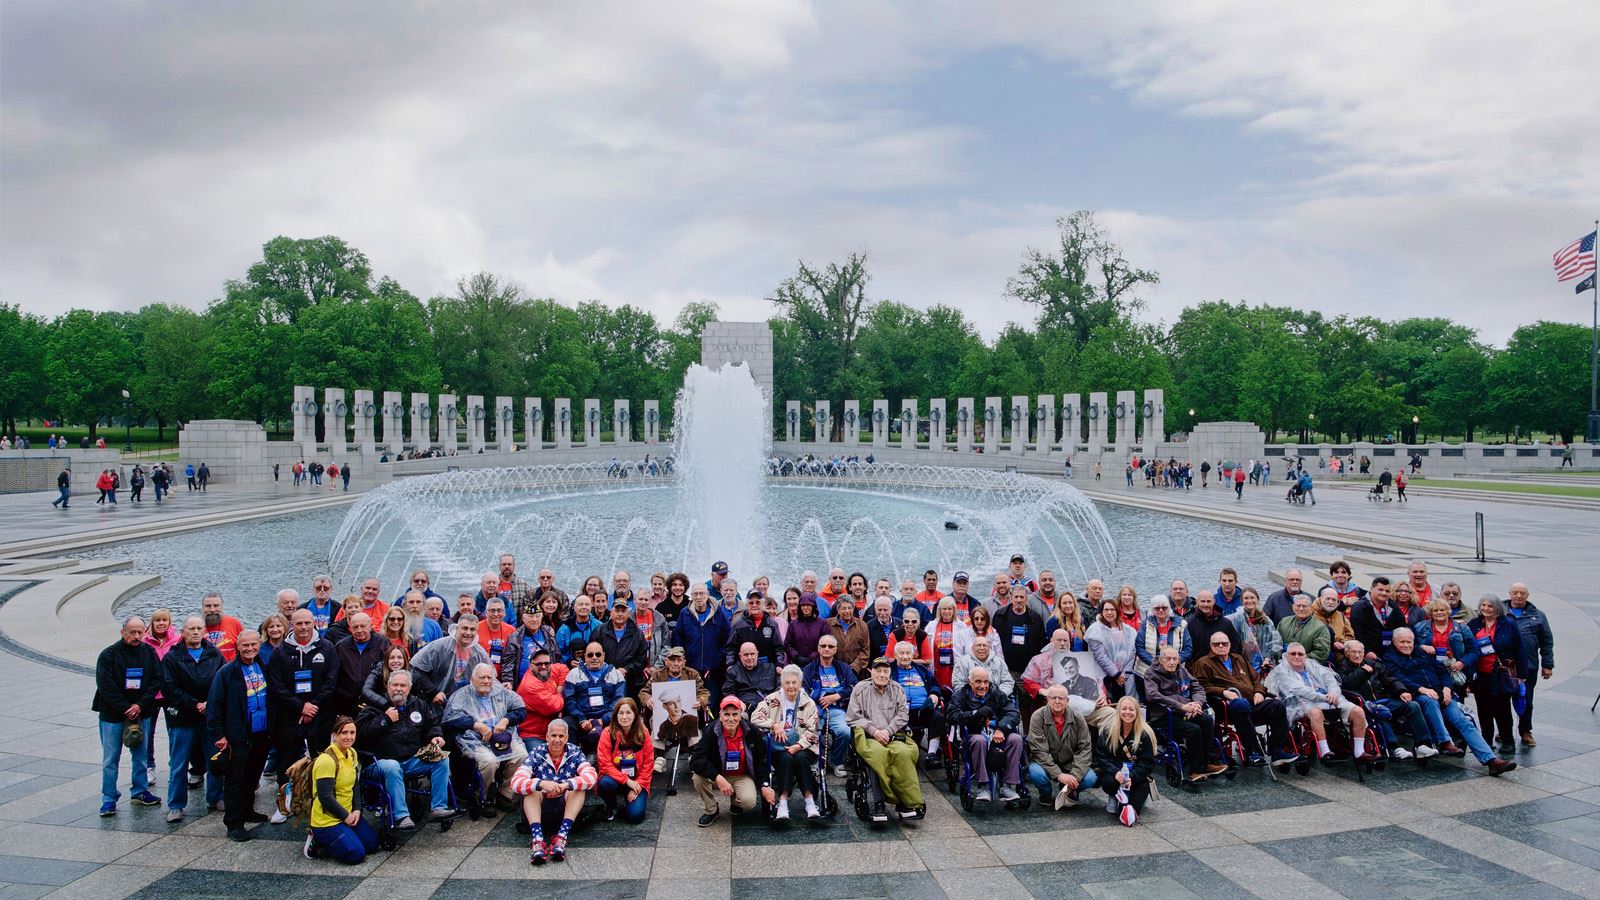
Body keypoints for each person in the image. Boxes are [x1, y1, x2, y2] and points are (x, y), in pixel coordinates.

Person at [1380, 629, 1515, 774]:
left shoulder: (1423, 653)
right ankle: (1444, 742)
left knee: (1463, 722)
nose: (1406, 645)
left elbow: (1442, 672)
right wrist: (1422, 689)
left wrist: (1446, 689)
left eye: (1409, 642)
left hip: (1441, 693)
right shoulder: (1389, 658)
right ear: (1394, 642)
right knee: (1429, 700)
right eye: (1402, 642)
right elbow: (1399, 679)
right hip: (1416, 695)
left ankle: (1491, 761)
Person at [355, 671, 454, 830]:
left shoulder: (418, 704)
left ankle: (438, 808)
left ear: (409, 688)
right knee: (393, 766)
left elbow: (432, 724)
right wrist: (385, 720)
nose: (398, 689)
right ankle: (401, 816)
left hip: (412, 759)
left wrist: (435, 736)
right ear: (388, 687)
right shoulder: (374, 707)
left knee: (442, 759)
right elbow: (360, 735)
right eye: (395, 685)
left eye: (403, 685)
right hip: (380, 764)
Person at [266, 608, 341, 818]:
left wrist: (313, 705)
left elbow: (331, 681)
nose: (304, 628)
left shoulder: (326, 648)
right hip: (291, 715)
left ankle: (321, 800)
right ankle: (285, 804)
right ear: (292, 626)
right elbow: (276, 685)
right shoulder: (280, 652)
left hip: (320, 713)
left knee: (321, 758)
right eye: (299, 624)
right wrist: (300, 707)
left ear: (313, 624)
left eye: (307, 623)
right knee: (287, 760)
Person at [207, 630, 275, 841]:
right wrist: (219, 734)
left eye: (254, 645)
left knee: (253, 776)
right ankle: (234, 822)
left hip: (261, 732)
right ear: (238, 647)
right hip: (238, 734)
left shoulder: (263, 666)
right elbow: (215, 704)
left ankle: (248, 810)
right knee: (235, 780)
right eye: (245, 645)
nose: (250, 649)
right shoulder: (227, 672)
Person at [1191, 632, 1296, 767]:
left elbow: (1256, 679)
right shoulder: (1203, 663)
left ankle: (1277, 751)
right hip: (1228, 707)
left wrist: (1259, 692)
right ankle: (1252, 751)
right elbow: (1201, 686)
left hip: (1252, 703)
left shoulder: (1238, 658)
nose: (1221, 646)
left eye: (1224, 643)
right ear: (1211, 646)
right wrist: (1223, 692)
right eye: (1217, 644)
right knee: (1241, 704)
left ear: (1230, 645)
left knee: (1278, 705)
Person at [94, 616, 163, 817]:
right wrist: (126, 707)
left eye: (140, 632)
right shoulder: (108, 655)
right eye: (132, 632)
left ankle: (140, 791)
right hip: (113, 714)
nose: (136, 636)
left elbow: (156, 680)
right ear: (123, 632)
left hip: (142, 712)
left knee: (141, 755)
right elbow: (105, 685)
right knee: (111, 759)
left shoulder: (149, 652)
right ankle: (108, 799)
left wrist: (139, 705)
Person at [161, 615, 224, 821]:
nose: (195, 632)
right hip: (183, 718)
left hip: (209, 716)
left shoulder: (214, 654)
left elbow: (222, 681)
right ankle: (176, 805)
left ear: (205, 631)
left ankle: (216, 797)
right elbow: (169, 687)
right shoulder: (172, 657)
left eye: (199, 628)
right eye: (191, 629)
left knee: (215, 759)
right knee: (179, 763)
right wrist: (194, 704)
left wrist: (209, 703)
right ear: (183, 632)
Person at [847, 656, 924, 822]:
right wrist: (874, 731)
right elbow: (853, 716)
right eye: (878, 670)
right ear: (871, 671)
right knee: (877, 755)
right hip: (868, 736)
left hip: (893, 735)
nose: (882, 674)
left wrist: (888, 731)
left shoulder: (897, 689)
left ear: (890, 673)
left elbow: (903, 714)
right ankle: (879, 802)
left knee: (904, 754)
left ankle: (906, 802)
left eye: (886, 671)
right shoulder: (861, 688)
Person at [509, 718, 596, 864]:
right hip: (540, 811)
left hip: (564, 810)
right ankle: (537, 840)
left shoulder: (575, 752)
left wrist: (566, 785)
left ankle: (561, 837)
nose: (557, 740)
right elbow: (515, 782)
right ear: (547, 736)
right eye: (554, 735)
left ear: (567, 738)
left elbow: (592, 777)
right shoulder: (537, 753)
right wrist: (541, 784)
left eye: (561, 736)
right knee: (531, 789)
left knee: (578, 789)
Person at [443, 663, 529, 810]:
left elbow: (521, 710)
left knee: (521, 755)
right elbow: (450, 718)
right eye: (482, 677)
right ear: (472, 678)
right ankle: (484, 797)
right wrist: (475, 725)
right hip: (473, 740)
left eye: (490, 677)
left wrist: (506, 719)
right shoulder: (461, 695)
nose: (486, 681)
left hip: (500, 737)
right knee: (490, 762)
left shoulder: (501, 692)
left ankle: (505, 794)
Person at [1267, 643, 1368, 761]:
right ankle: (1325, 751)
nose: (1297, 657)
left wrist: (1333, 693)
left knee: (1357, 711)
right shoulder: (1282, 671)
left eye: (1300, 654)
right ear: (1287, 656)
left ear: (1305, 656)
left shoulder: (1313, 665)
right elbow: (1300, 690)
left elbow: (1330, 680)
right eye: (1293, 654)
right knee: (1315, 712)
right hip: (1300, 703)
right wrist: (1324, 697)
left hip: (1328, 699)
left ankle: (1359, 752)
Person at [1144, 646, 1230, 783]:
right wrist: (1182, 706)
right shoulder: (1151, 673)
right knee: (1193, 729)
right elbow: (1153, 696)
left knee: (1206, 720)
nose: (1172, 662)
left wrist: (1197, 704)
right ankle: (1196, 770)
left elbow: (1198, 688)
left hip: (1184, 711)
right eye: (1168, 659)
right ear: (1161, 660)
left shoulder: (1182, 671)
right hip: (1162, 716)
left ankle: (1209, 762)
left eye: (1175, 659)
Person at [302, 716, 380, 863]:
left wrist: (357, 809)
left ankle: (344, 836)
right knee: (356, 855)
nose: (349, 737)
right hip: (328, 820)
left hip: (348, 813)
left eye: (352, 732)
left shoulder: (352, 753)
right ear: (334, 735)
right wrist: (345, 816)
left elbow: (354, 784)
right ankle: (317, 837)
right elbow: (325, 797)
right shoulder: (327, 760)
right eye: (344, 732)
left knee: (372, 844)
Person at [751, 665, 822, 820]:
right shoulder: (772, 699)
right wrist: (774, 724)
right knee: (786, 758)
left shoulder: (808, 703)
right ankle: (783, 802)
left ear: (800, 684)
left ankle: (809, 801)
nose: (791, 686)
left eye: (794, 683)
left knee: (801, 758)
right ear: (782, 684)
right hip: (779, 747)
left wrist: (798, 746)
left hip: (804, 746)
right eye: (787, 682)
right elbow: (755, 717)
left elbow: (814, 730)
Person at [691, 695, 774, 826]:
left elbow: (761, 761)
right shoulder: (711, 731)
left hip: (742, 775)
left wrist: (764, 785)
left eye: (735, 714)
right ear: (720, 715)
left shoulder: (751, 731)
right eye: (727, 714)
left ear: (741, 715)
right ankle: (711, 809)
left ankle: (735, 803)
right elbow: (696, 760)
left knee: (748, 802)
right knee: (697, 778)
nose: (731, 718)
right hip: (718, 774)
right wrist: (717, 777)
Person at [948, 665, 1024, 803]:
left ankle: (1008, 785)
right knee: (979, 740)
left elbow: (1013, 713)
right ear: (970, 682)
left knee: (1016, 738)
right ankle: (983, 785)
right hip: (973, 734)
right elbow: (953, 715)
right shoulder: (960, 695)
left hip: (998, 734)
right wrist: (975, 713)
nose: (983, 686)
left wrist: (1001, 729)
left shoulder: (996, 693)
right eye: (978, 682)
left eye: (986, 682)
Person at [1466, 594, 1524, 751]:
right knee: (1483, 709)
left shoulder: (1508, 624)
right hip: (1480, 674)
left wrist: (1521, 674)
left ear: (1497, 608)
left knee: (1502, 709)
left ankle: (1507, 741)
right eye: (1483, 605)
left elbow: (1519, 648)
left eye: (1490, 606)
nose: (1486, 609)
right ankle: (1486, 741)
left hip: (1500, 673)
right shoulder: (1474, 623)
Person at [1025, 684, 1098, 808]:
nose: (1057, 701)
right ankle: (1045, 794)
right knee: (1035, 772)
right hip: (1045, 763)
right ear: (1047, 699)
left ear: (1067, 701)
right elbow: (1039, 751)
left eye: (1061, 698)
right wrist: (1059, 775)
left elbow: (1084, 749)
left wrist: (1075, 776)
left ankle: (1069, 791)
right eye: (1053, 698)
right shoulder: (1037, 717)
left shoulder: (1078, 717)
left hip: (1070, 762)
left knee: (1090, 778)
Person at [1091, 696, 1156, 827]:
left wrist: (1132, 777)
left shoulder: (1144, 733)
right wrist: (1116, 772)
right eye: (1124, 709)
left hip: (1136, 776)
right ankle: (1119, 797)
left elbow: (1147, 763)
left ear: (1137, 712)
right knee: (1108, 782)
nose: (1127, 712)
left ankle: (1127, 806)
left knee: (1140, 791)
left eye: (1131, 709)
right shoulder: (1108, 731)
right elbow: (1101, 757)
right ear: (1118, 711)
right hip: (1115, 774)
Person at [641, 646, 710, 770]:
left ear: (684, 662)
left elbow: (704, 693)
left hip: (685, 713)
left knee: (691, 720)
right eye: (672, 660)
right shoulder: (658, 675)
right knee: (655, 720)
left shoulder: (692, 674)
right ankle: (660, 757)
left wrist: (700, 701)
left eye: (679, 660)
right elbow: (644, 692)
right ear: (666, 661)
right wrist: (648, 699)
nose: (676, 663)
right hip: (665, 715)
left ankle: (693, 755)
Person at [1505, 582, 1554, 747]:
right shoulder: (1500, 611)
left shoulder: (1538, 615)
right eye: (1515, 592)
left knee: (1526, 698)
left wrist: (1548, 665)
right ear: (1510, 594)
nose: (1518, 596)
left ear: (1527, 596)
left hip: (1528, 665)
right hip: (1505, 665)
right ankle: (1504, 730)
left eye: (1522, 593)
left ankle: (1525, 730)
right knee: (1503, 698)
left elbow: (1546, 641)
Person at [595, 697, 655, 823]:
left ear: (635, 714)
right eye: (621, 713)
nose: (624, 717)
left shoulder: (643, 733)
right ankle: (611, 805)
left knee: (635, 817)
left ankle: (631, 799)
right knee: (604, 783)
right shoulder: (607, 733)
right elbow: (604, 765)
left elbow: (648, 763)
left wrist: (637, 785)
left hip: (637, 780)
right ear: (615, 715)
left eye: (628, 712)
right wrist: (627, 781)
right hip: (615, 779)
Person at [411, 615, 489, 705]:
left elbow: (488, 677)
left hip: (466, 704)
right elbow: (417, 670)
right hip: (436, 702)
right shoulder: (439, 647)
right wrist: (434, 692)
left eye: (472, 629)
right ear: (457, 629)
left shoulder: (479, 653)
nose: (468, 633)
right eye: (464, 628)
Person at [562, 641, 628, 749]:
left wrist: (603, 719)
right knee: (565, 723)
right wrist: (581, 719)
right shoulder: (574, 674)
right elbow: (569, 700)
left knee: (624, 720)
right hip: (582, 718)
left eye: (598, 654)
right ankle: (573, 757)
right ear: (585, 657)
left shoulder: (616, 674)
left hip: (607, 718)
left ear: (603, 655)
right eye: (590, 655)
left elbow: (618, 700)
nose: (594, 658)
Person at [330, 613, 390, 719]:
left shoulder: (383, 643)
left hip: (375, 700)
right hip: (347, 702)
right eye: (355, 627)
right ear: (350, 629)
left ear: (370, 626)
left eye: (363, 626)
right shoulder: (341, 647)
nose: (359, 630)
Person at [514, 647, 570, 752]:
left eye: (547, 663)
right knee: (541, 760)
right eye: (539, 664)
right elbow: (554, 706)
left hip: (549, 733)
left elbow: (563, 668)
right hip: (532, 735)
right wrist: (560, 695)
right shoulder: (530, 686)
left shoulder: (548, 670)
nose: (543, 666)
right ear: (531, 666)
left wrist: (559, 689)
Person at [992, 584, 1048, 685]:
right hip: (1007, 669)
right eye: (1016, 597)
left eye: (1022, 597)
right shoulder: (1000, 616)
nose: (1018, 600)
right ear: (1011, 598)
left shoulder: (1035, 618)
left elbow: (1041, 644)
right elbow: (993, 641)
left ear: (1026, 598)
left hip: (1028, 669)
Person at [598, 597, 652, 696]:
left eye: (623, 611)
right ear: (611, 612)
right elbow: (593, 654)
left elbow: (641, 659)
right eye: (617, 610)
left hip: (630, 682)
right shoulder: (600, 631)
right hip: (604, 679)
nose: (620, 614)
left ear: (628, 613)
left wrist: (626, 669)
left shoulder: (637, 634)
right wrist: (607, 670)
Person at [1086, 599, 1138, 701]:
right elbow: (1100, 657)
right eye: (1106, 610)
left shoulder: (1128, 630)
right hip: (1105, 675)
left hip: (1124, 674)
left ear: (1117, 611)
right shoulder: (1095, 630)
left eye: (1112, 609)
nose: (1109, 612)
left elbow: (1132, 652)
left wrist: (1124, 673)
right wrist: (1116, 675)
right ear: (1101, 612)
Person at [1228, 587, 1283, 670]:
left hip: (1264, 663)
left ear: (1258, 599)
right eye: (1246, 598)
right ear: (1241, 601)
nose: (1249, 601)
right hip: (1242, 663)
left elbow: (1273, 641)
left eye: (1252, 597)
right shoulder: (1237, 619)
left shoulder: (1266, 621)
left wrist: (1267, 658)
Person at [1134, 594, 1190, 674]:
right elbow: (1139, 647)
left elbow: (1187, 649)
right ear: (1152, 609)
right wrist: (1157, 663)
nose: (1161, 610)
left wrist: (1172, 662)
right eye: (1157, 608)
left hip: (1174, 670)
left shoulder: (1182, 624)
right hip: (1148, 670)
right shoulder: (1145, 624)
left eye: (1164, 607)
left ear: (1169, 608)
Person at [1350, 577, 1406, 657]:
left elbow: (1402, 625)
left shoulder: (1391, 605)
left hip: (1390, 651)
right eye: (1380, 590)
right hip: (1369, 653)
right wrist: (1367, 651)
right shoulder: (1360, 607)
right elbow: (1357, 632)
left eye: (1387, 591)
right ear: (1371, 589)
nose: (1384, 593)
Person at [1277, 595, 1332, 665]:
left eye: (1304, 606)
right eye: (1298, 606)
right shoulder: (1284, 622)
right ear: (1293, 607)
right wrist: (1282, 657)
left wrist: (1296, 659)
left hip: (1307, 667)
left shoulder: (1320, 628)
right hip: (1282, 664)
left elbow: (1322, 653)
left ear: (1311, 608)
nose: (1301, 609)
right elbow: (1275, 643)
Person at [726, 640, 778, 710]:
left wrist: (773, 699)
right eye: (746, 655)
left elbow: (780, 687)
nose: (749, 658)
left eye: (752, 654)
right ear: (740, 656)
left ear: (757, 654)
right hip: (745, 708)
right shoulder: (733, 672)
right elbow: (728, 692)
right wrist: (737, 702)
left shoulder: (770, 668)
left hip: (770, 706)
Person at [784, 591, 829, 668]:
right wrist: (796, 657)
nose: (805, 608)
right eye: (803, 605)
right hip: (797, 664)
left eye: (808, 605)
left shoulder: (822, 623)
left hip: (818, 663)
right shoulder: (793, 624)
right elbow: (788, 644)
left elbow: (826, 642)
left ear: (813, 606)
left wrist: (813, 656)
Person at [201, 592, 245, 662]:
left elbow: (246, 647)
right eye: (208, 606)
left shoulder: (234, 623)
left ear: (222, 607)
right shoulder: (195, 626)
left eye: (216, 605)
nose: (212, 609)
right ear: (203, 607)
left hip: (230, 669)